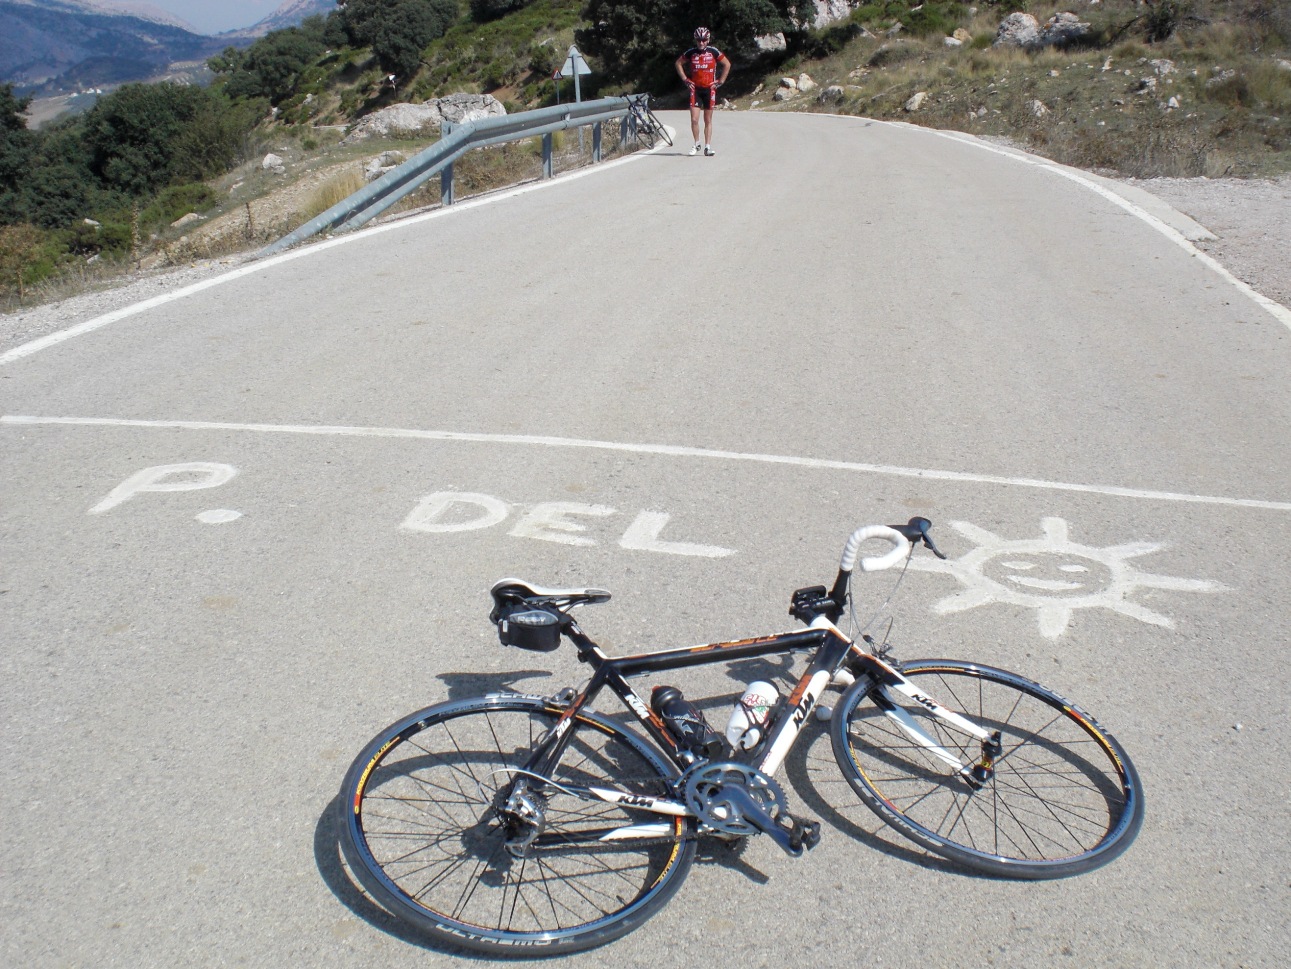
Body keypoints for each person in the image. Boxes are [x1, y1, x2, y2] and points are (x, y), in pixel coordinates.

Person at [675, 27, 731, 156]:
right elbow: (678, 63)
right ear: (695, 40)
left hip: (709, 90)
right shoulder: (691, 52)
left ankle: (708, 147)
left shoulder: (713, 52)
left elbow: (727, 64)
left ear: (708, 40)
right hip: (695, 90)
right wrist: (685, 80)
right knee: (694, 119)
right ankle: (696, 144)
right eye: (699, 40)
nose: (701, 43)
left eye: (704, 40)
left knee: (708, 120)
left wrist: (720, 81)